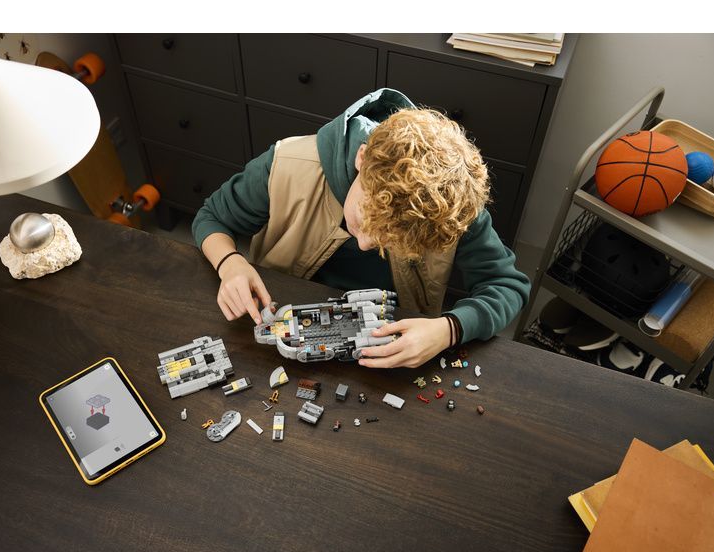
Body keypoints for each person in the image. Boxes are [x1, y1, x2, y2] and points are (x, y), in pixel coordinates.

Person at [193, 88, 530, 369]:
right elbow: (211, 218)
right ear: (363, 158)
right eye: (368, 219)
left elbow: (506, 285)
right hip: (284, 334)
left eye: (391, 241)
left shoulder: (453, 208)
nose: (367, 244)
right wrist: (230, 263)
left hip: (392, 348)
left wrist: (448, 329)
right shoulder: (287, 164)